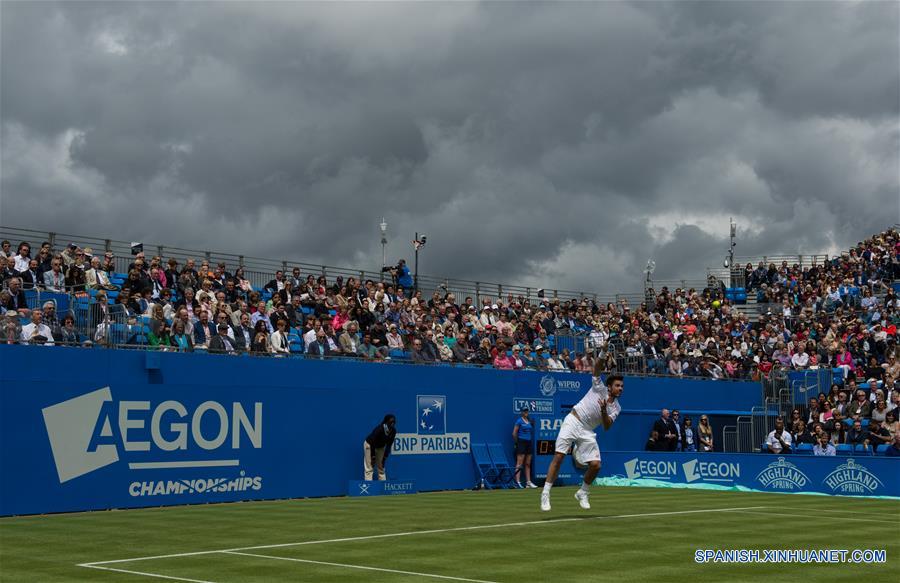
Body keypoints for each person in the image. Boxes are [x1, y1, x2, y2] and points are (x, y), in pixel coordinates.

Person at [541, 360, 623, 512]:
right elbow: (597, 368)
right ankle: (545, 493)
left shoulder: (617, 407)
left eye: (622, 386)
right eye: (617, 386)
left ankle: (583, 492)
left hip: (587, 430)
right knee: (559, 456)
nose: (620, 388)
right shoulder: (599, 387)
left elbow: (606, 426)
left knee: (596, 465)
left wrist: (603, 410)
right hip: (573, 420)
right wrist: (602, 354)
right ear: (609, 387)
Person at [364, 414, 397, 481]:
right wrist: (373, 456)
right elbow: (372, 442)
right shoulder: (379, 429)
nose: (392, 424)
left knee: (381, 467)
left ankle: (383, 485)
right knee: (369, 467)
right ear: (386, 422)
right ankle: (369, 486)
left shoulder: (393, 431)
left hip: (380, 447)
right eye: (391, 422)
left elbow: (389, 445)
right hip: (370, 445)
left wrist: (384, 457)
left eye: (394, 422)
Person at [512, 408, 537, 489]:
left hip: (529, 442)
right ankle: (517, 482)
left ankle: (528, 482)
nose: (526, 412)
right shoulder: (519, 421)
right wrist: (517, 443)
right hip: (521, 442)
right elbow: (514, 433)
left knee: (528, 463)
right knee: (519, 463)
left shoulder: (529, 421)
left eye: (527, 411)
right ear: (521, 412)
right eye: (524, 411)